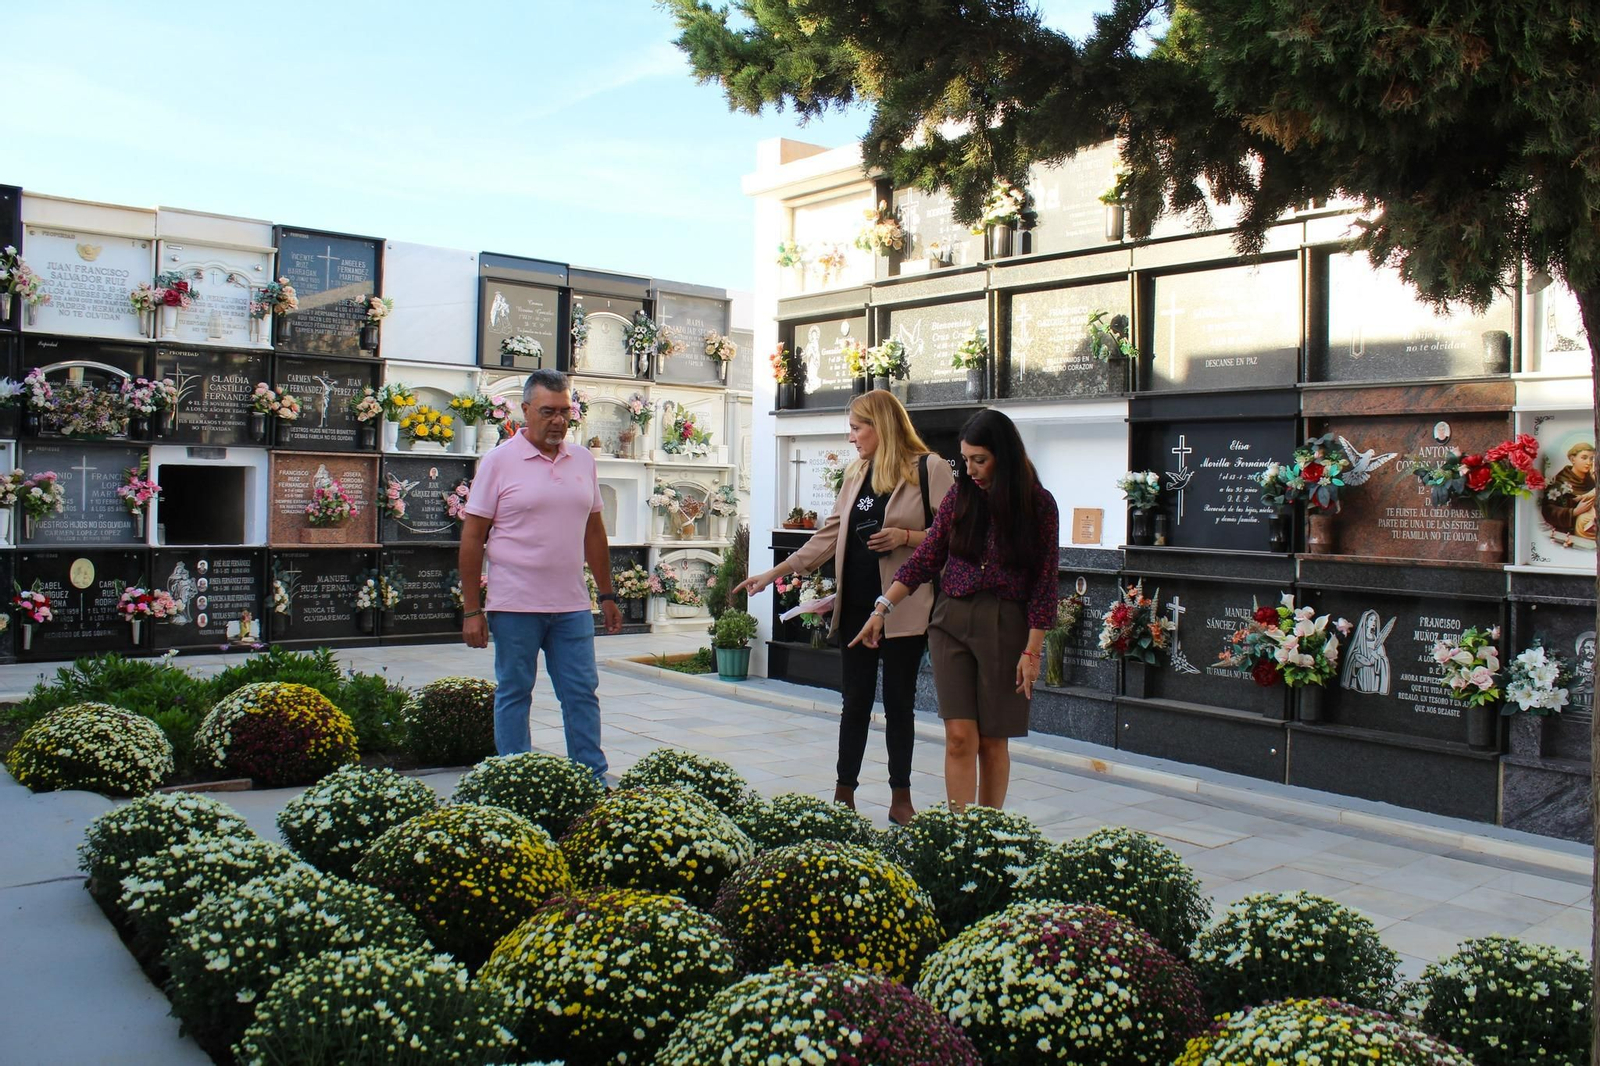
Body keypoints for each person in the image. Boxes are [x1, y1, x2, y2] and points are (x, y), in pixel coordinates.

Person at [739, 390, 954, 825]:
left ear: (882, 426)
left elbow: (952, 536)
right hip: (856, 605)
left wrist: (904, 538)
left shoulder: (930, 468)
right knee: (854, 701)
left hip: (903, 608)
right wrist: (772, 573)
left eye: (857, 428)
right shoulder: (856, 472)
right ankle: (844, 794)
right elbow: (827, 536)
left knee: (899, 704)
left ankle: (901, 798)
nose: (851, 437)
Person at [852, 409, 1058, 811]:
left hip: (1006, 625)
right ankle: (958, 833)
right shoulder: (959, 497)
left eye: (980, 459)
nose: (971, 469)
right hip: (951, 621)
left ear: (1004, 455)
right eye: (965, 459)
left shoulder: (1038, 505)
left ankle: (988, 831)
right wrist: (882, 609)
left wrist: (1033, 651)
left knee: (993, 741)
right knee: (960, 737)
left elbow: (1045, 581)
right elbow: (926, 557)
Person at [458, 368, 622, 779]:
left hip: (571, 605)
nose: (558, 421)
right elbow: (473, 537)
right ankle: (515, 779)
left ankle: (591, 778)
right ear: (526, 410)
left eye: (565, 411)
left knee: (581, 693)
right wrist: (472, 610)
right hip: (515, 605)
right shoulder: (498, 462)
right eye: (548, 412)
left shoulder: (582, 460)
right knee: (515, 693)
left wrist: (606, 594)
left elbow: (594, 531)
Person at [1539, 441, 1595, 545]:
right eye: (1584, 458)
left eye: (1591, 459)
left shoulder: (1592, 481)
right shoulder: (1560, 482)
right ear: (1573, 459)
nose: (1589, 462)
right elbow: (1547, 510)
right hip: (1569, 536)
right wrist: (1574, 512)